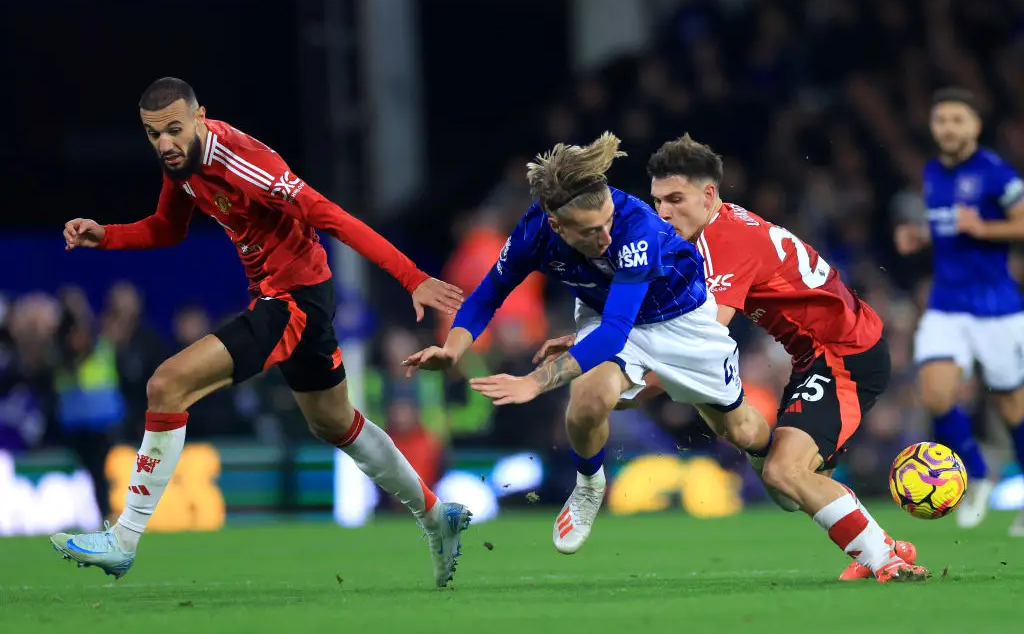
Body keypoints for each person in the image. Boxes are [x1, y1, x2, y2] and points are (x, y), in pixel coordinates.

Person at [51, 77, 471, 587]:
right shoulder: (181, 163)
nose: (163, 143)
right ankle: (436, 516)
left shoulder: (244, 163)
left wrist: (414, 277)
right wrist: (107, 235)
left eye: (174, 130)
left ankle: (123, 540)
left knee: (166, 384)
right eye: (152, 133)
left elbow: (332, 217)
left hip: (293, 302)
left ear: (201, 116)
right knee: (335, 424)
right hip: (290, 296)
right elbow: (169, 228)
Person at [537, 135, 927, 583]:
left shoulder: (726, 242)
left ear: (709, 194)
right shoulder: (707, 233)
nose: (663, 212)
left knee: (785, 472)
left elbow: (697, 344)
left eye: (676, 199)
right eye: (657, 199)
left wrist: (629, 382)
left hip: (845, 354)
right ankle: (878, 544)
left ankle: (885, 558)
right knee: (796, 483)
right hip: (816, 355)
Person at [403, 132, 772, 555]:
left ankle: (769, 460)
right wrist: (453, 348)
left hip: (680, 321)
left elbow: (617, 330)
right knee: (588, 398)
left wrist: (535, 382)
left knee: (739, 430)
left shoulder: (636, 230)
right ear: (557, 225)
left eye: (608, 221)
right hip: (606, 310)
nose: (607, 236)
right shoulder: (535, 232)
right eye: (592, 230)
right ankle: (589, 484)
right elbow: (488, 295)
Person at [894, 88, 1024, 535]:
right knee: (935, 394)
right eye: (941, 120)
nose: (948, 128)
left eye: (957, 120)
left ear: (975, 127)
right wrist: (921, 237)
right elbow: (949, 226)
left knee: (1011, 403)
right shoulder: (933, 173)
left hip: (996, 308)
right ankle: (978, 473)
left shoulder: (996, 173)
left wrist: (985, 227)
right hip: (947, 305)